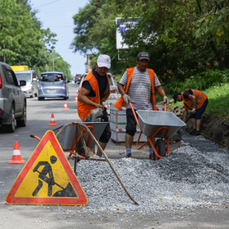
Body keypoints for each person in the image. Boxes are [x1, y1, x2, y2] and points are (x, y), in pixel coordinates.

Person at [114, 51, 168, 159]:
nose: (144, 64)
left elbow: (158, 87)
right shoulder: (130, 72)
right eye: (142, 61)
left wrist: (164, 96)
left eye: (146, 61)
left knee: (150, 130)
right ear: (137, 61)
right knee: (130, 128)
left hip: (147, 107)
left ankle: (152, 151)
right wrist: (124, 95)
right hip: (132, 106)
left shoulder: (151, 73)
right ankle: (128, 152)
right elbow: (120, 85)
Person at [77, 54, 112, 157]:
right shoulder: (90, 79)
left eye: (105, 68)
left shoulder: (105, 76)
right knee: (91, 136)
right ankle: (90, 159)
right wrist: (94, 104)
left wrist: (99, 104)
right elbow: (81, 96)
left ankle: (98, 157)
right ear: (96, 65)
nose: (103, 70)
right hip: (88, 110)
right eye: (101, 67)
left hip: (98, 107)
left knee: (106, 134)